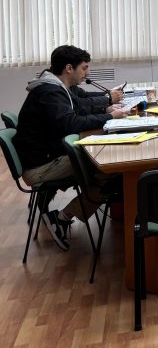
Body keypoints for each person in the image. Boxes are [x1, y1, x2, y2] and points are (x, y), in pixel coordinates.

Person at [13, 45, 129, 251]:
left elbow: (79, 106)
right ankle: (61, 217)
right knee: (109, 167)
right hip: (40, 167)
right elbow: (71, 124)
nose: (88, 73)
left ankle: (66, 215)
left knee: (108, 160)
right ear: (69, 68)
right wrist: (109, 115)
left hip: (49, 156)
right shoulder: (49, 92)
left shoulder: (57, 87)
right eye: (84, 68)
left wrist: (106, 108)